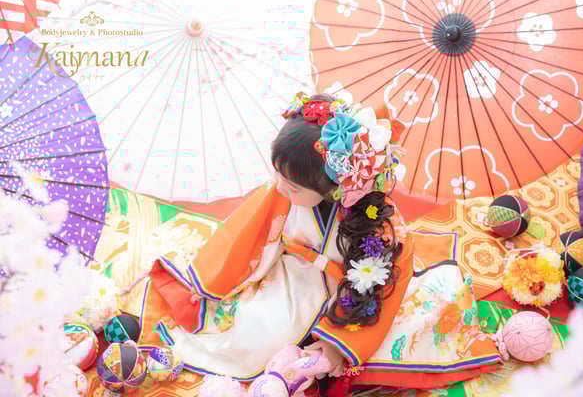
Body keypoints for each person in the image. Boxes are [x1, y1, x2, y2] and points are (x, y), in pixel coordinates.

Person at [136, 92, 501, 395]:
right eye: (278, 176)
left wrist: (335, 343)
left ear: (335, 187)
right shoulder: (284, 188)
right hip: (284, 271)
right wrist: (212, 279)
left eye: (292, 186)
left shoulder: (378, 227)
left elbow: (377, 285)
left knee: (266, 338)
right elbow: (245, 232)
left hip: (334, 286)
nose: (280, 188)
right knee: (240, 325)